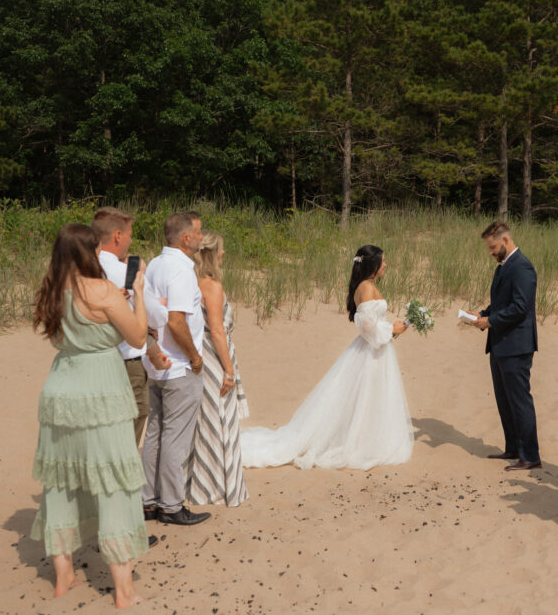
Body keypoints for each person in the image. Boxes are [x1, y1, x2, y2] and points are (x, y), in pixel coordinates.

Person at [29, 224, 149, 608]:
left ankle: (63, 576)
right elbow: (138, 336)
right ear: (88, 252)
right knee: (113, 480)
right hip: (102, 391)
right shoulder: (101, 291)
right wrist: (139, 294)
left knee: (61, 480)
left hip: (61, 388)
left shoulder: (50, 291)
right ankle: (123, 588)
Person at [239, 244, 413, 470]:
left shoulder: (366, 285)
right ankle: (361, 442)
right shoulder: (366, 288)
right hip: (372, 351)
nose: (386, 265)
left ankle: (366, 436)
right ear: (373, 265)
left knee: (368, 396)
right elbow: (368, 328)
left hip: (376, 349)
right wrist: (392, 330)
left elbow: (371, 324)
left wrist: (392, 328)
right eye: (383, 261)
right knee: (365, 395)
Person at [141, 212, 211, 526]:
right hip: (179, 365)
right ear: (185, 238)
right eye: (198, 232)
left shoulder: (155, 264)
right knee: (174, 437)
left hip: (155, 363)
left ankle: (148, 500)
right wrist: (195, 357)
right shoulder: (182, 271)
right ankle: (170, 504)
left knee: (155, 433)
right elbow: (177, 321)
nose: (201, 237)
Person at [92, 207, 169, 445]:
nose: (130, 240)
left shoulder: (84, 270)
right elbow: (156, 317)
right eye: (129, 234)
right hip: (126, 363)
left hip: (93, 363)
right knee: (128, 430)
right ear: (117, 236)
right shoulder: (123, 272)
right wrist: (157, 305)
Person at [184, 231, 250, 507]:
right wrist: (229, 370)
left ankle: (198, 481)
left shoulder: (191, 280)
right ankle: (214, 486)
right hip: (213, 355)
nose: (224, 254)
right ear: (214, 254)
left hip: (201, 352)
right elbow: (217, 331)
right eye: (222, 250)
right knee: (218, 416)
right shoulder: (211, 286)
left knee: (207, 418)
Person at [470, 221, 540, 471]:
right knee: (504, 400)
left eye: (493, 246)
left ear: (506, 240)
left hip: (517, 345)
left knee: (519, 400)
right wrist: (481, 316)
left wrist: (491, 320)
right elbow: (501, 304)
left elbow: (521, 307)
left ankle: (530, 455)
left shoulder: (521, 266)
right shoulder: (503, 268)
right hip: (500, 343)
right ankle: (513, 447)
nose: (490, 252)